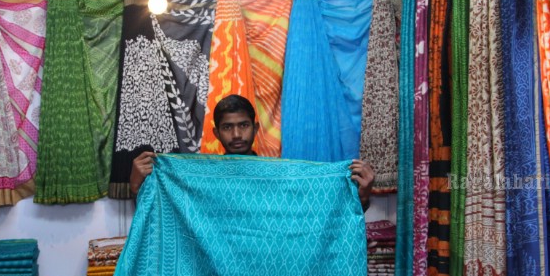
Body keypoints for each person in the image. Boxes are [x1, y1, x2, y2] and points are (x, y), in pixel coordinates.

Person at [129, 94, 375, 210]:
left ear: (255, 128)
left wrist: (361, 196)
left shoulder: (277, 175)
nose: (236, 135)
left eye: (243, 125)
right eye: (227, 127)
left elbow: (316, 213)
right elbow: (165, 213)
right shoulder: (202, 178)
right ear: (216, 133)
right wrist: (137, 187)